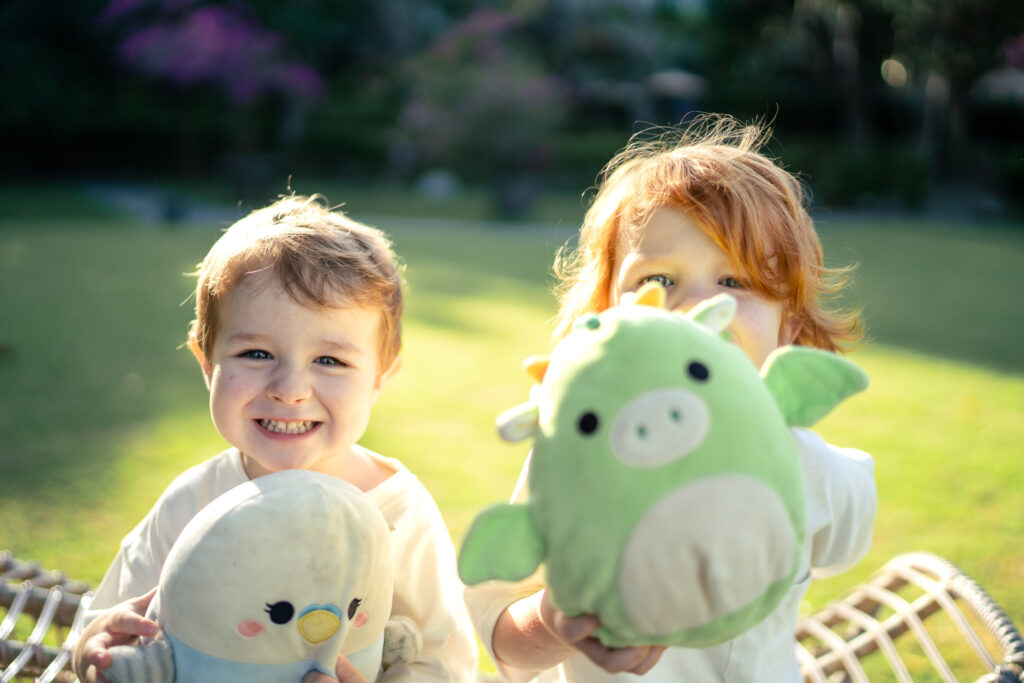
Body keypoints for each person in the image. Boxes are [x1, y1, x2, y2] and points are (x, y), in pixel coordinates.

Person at [464, 114, 877, 682]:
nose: (694, 309)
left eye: (735, 283)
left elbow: (847, 533)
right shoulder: (575, 446)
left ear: (789, 330)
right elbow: (501, 636)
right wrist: (557, 624)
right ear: (606, 318)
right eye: (658, 282)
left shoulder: (804, 463)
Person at [73, 195, 478, 683]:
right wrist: (95, 654)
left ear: (379, 378)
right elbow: (106, 624)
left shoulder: (400, 512)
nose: (289, 391)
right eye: (257, 353)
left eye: (330, 361)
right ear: (207, 361)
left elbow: (446, 660)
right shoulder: (194, 501)